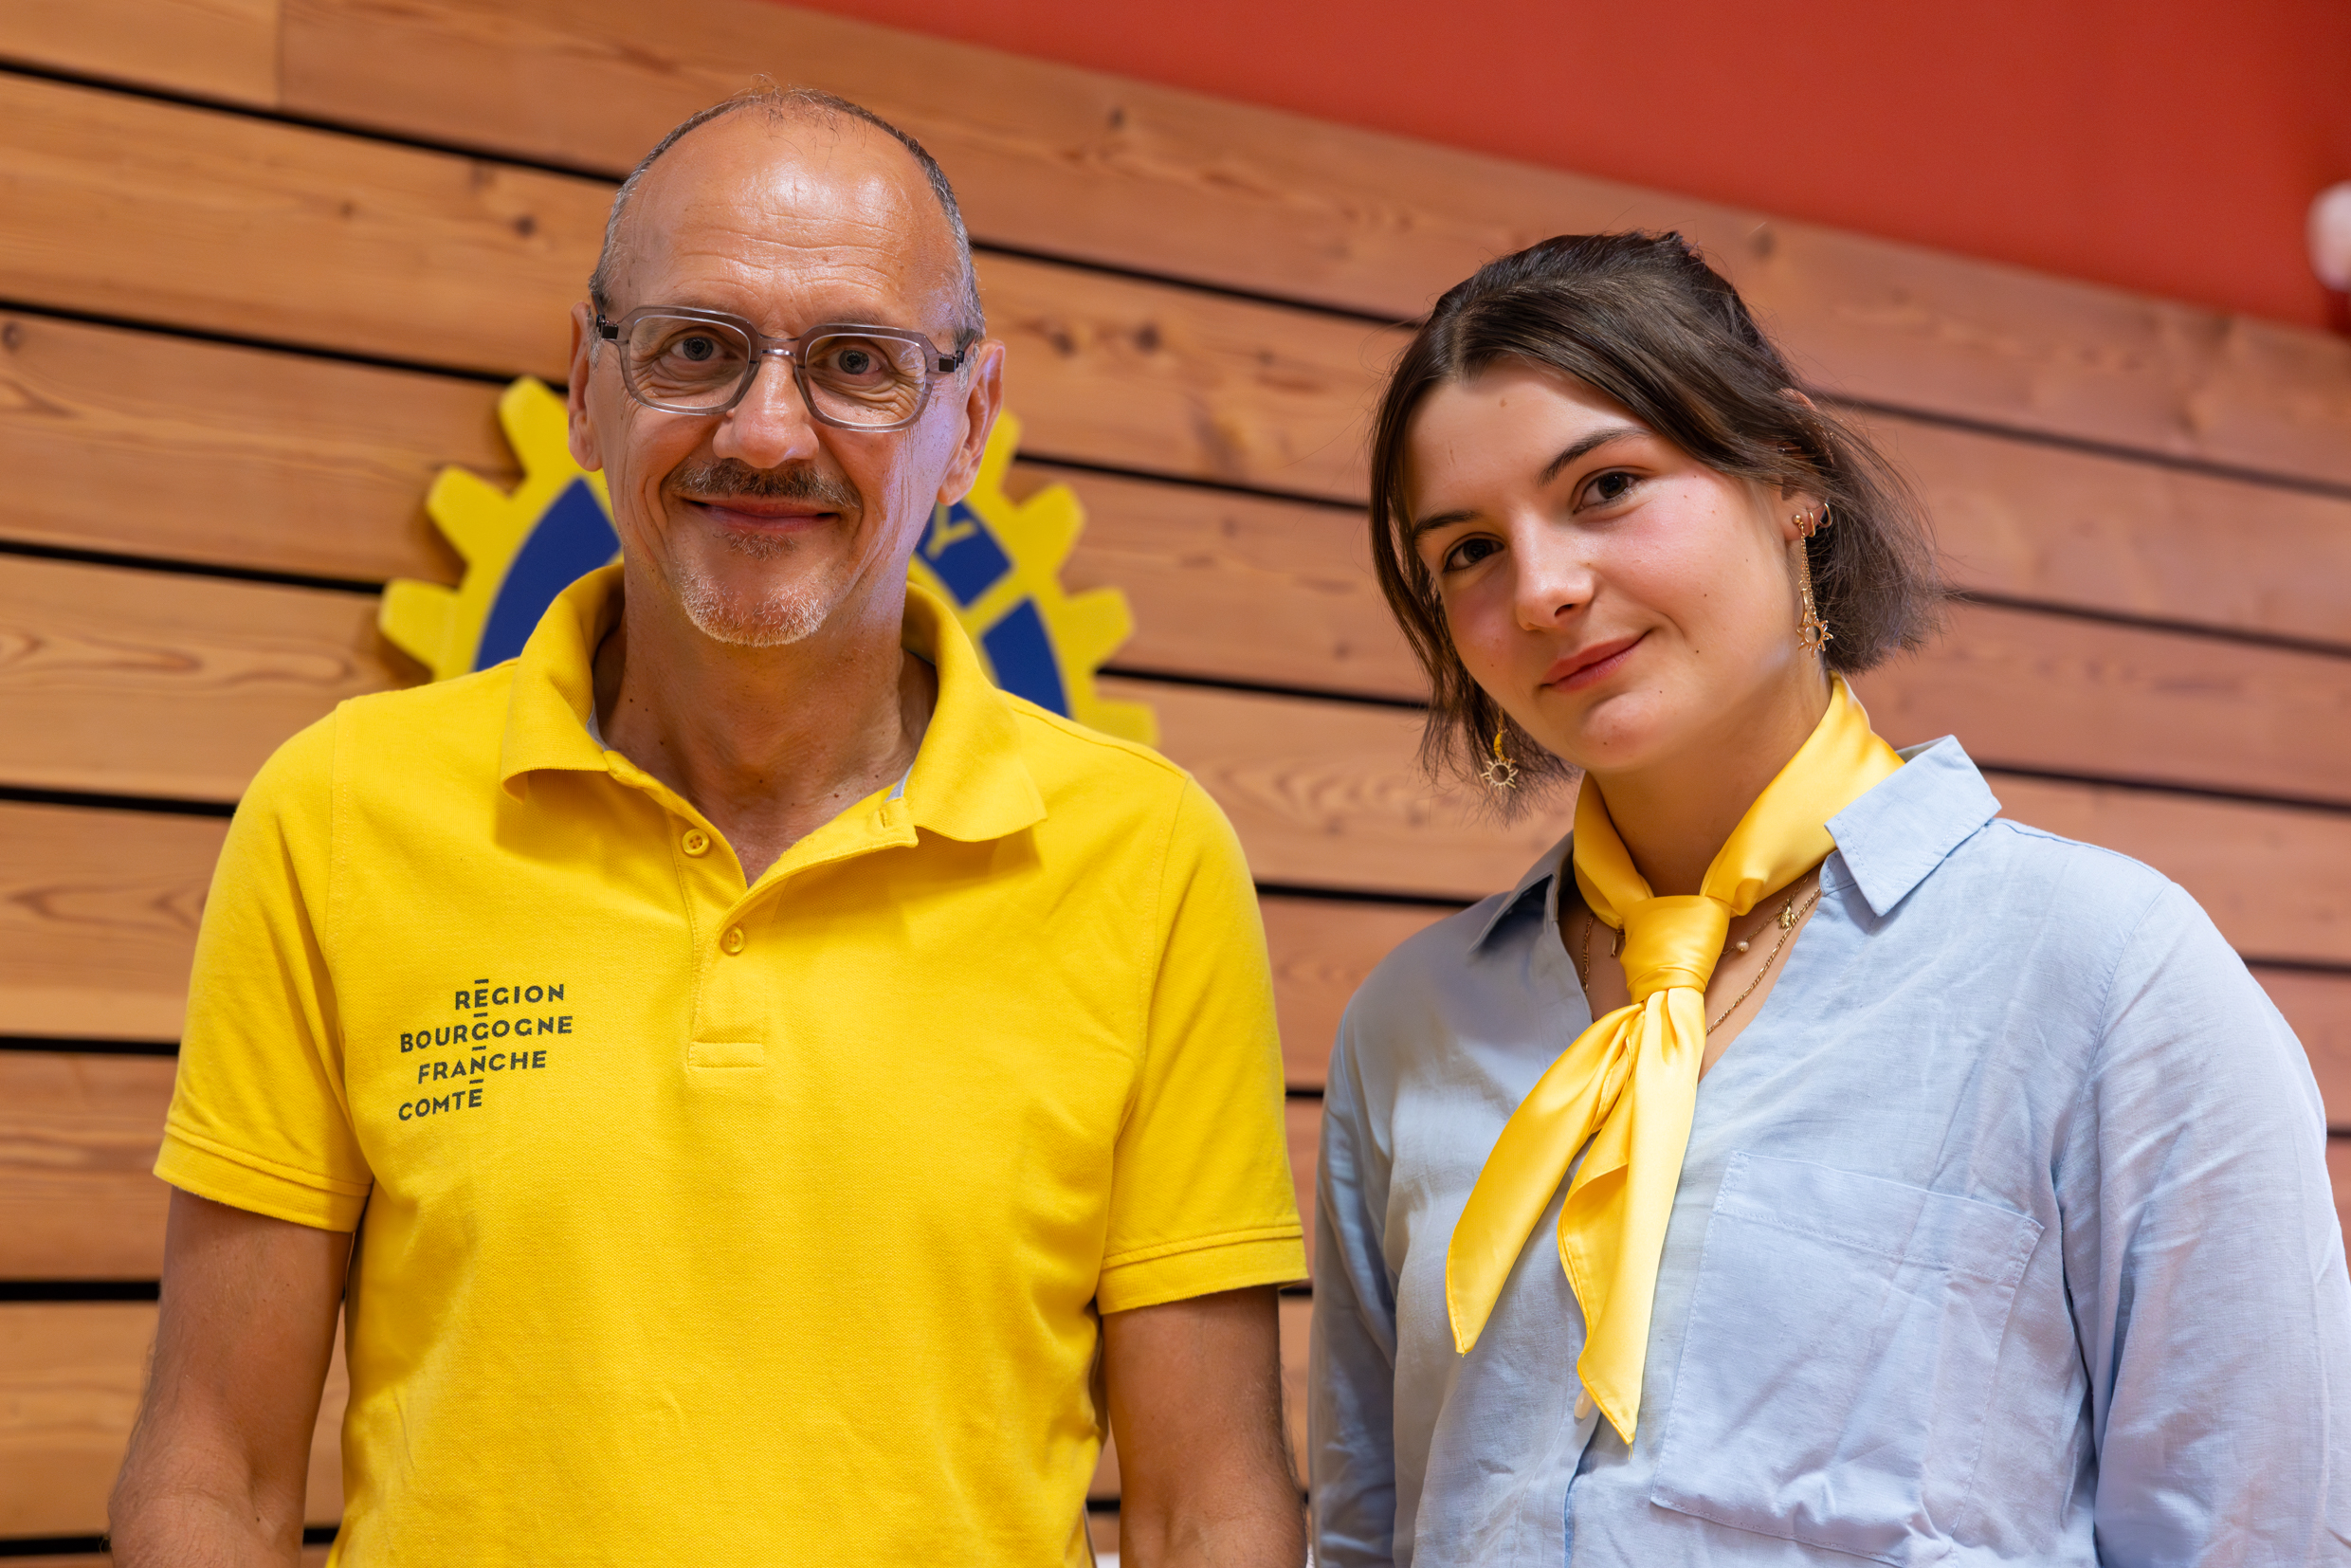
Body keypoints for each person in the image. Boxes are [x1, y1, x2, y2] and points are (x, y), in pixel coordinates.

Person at [109, 87, 1308, 1567]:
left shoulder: (1152, 858)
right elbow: (211, 1474)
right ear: (585, 388)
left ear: (969, 425)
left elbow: (1209, 1510)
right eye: (696, 347)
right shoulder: (337, 813)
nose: (766, 431)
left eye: (858, 363)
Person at [1307, 231, 2351, 1565]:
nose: (1544, 588)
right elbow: (1367, 1532)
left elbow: (2261, 1534)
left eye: (1607, 486)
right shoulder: (1408, 1027)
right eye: (1466, 552)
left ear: (1790, 475)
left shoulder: (2108, 976)